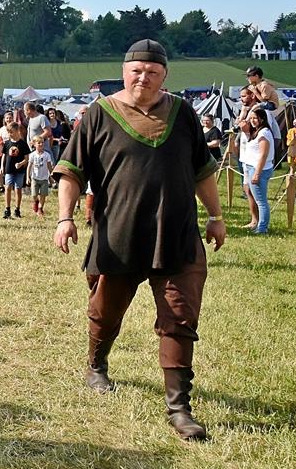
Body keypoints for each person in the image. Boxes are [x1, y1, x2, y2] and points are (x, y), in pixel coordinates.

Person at [53, 39, 225, 441]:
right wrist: (65, 218)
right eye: (136, 71)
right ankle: (96, 366)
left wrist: (215, 216)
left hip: (177, 235)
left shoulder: (183, 115)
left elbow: (202, 170)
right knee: (105, 311)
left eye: (152, 71)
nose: (143, 77)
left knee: (179, 319)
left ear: (164, 76)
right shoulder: (99, 114)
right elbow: (72, 172)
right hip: (120, 234)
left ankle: (179, 409)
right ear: (123, 71)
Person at [238, 108, 275, 234]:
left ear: (262, 119)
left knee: (261, 201)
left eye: (255, 118)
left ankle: (262, 228)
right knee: (255, 197)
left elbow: (263, 155)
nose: (252, 121)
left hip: (258, 169)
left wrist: (257, 173)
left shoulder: (264, 133)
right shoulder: (256, 132)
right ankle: (258, 224)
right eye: (251, 118)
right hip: (250, 166)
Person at [1, 122, 30, 219]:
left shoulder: (23, 144)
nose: (10, 134)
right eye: (8, 132)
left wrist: (21, 164)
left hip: (19, 170)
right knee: (8, 187)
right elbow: (4, 156)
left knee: (18, 189)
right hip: (9, 169)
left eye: (12, 132)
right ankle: (7, 209)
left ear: (18, 131)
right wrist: (2, 166)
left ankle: (17, 209)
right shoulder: (7, 143)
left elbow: (27, 158)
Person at [27, 136, 54, 216]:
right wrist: (27, 177)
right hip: (35, 178)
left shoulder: (47, 155)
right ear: (34, 144)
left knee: (43, 194)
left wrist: (51, 177)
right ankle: (36, 202)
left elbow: (49, 166)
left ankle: (40, 208)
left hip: (44, 178)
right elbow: (29, 166)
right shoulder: (32, 155)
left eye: (42, 142)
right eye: (39, 143)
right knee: (34, 194)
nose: (41, 144)